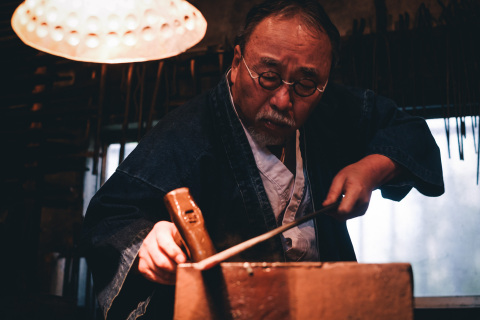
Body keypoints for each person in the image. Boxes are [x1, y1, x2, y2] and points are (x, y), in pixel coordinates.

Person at [81, 0, 444, 318]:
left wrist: (371, 169)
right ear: (238, 62)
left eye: (305, 84)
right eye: (268, 77)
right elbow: (110, 216)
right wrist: (148, 241)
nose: (284, 100)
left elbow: (410, 132)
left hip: (328, 308)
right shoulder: (188, 132)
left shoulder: (329, 107)